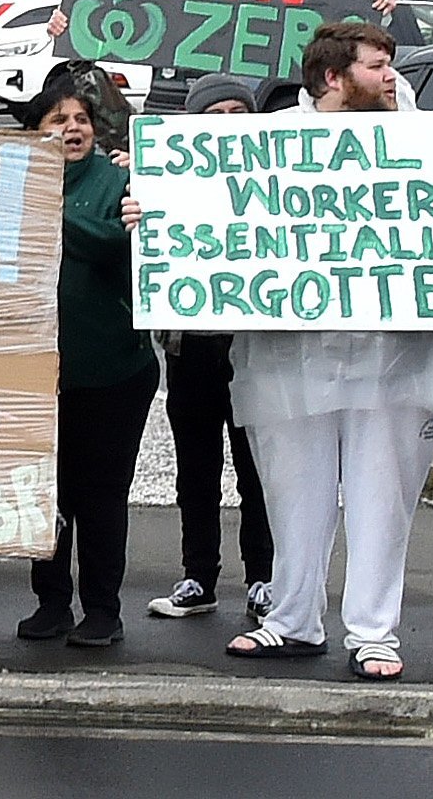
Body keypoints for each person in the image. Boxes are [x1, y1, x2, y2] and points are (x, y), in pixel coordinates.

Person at [196, 20, 433, 682]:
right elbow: (199, 212)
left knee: (382, 497)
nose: (392, 76)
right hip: (289, 358)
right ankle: (292, 618)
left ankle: (373, 632)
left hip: (397, 358)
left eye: (391, 63)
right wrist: (151, 215)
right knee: (292, 493)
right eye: (377, 65)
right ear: (332, 77)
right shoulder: (268, 145)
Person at [16, 70, 147, 649]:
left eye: (81, 120)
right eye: (57, 121)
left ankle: (102, 608)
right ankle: (50, 601)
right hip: (36, 373)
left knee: (100, 495)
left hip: (110, 368)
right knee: (48, 492)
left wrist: (44, 203)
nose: (73, 129)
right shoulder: (9, 181)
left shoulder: (117, 181)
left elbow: (107, 243)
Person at [150, 71, 279, 622]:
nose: (228, 125)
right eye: (215, 115)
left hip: (254, 348)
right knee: (196, 470)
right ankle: (198, 575)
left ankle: (264, 577)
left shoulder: (277, 180)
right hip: (192, 347)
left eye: (237, 112)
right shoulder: (168, 179)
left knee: (258, 470)